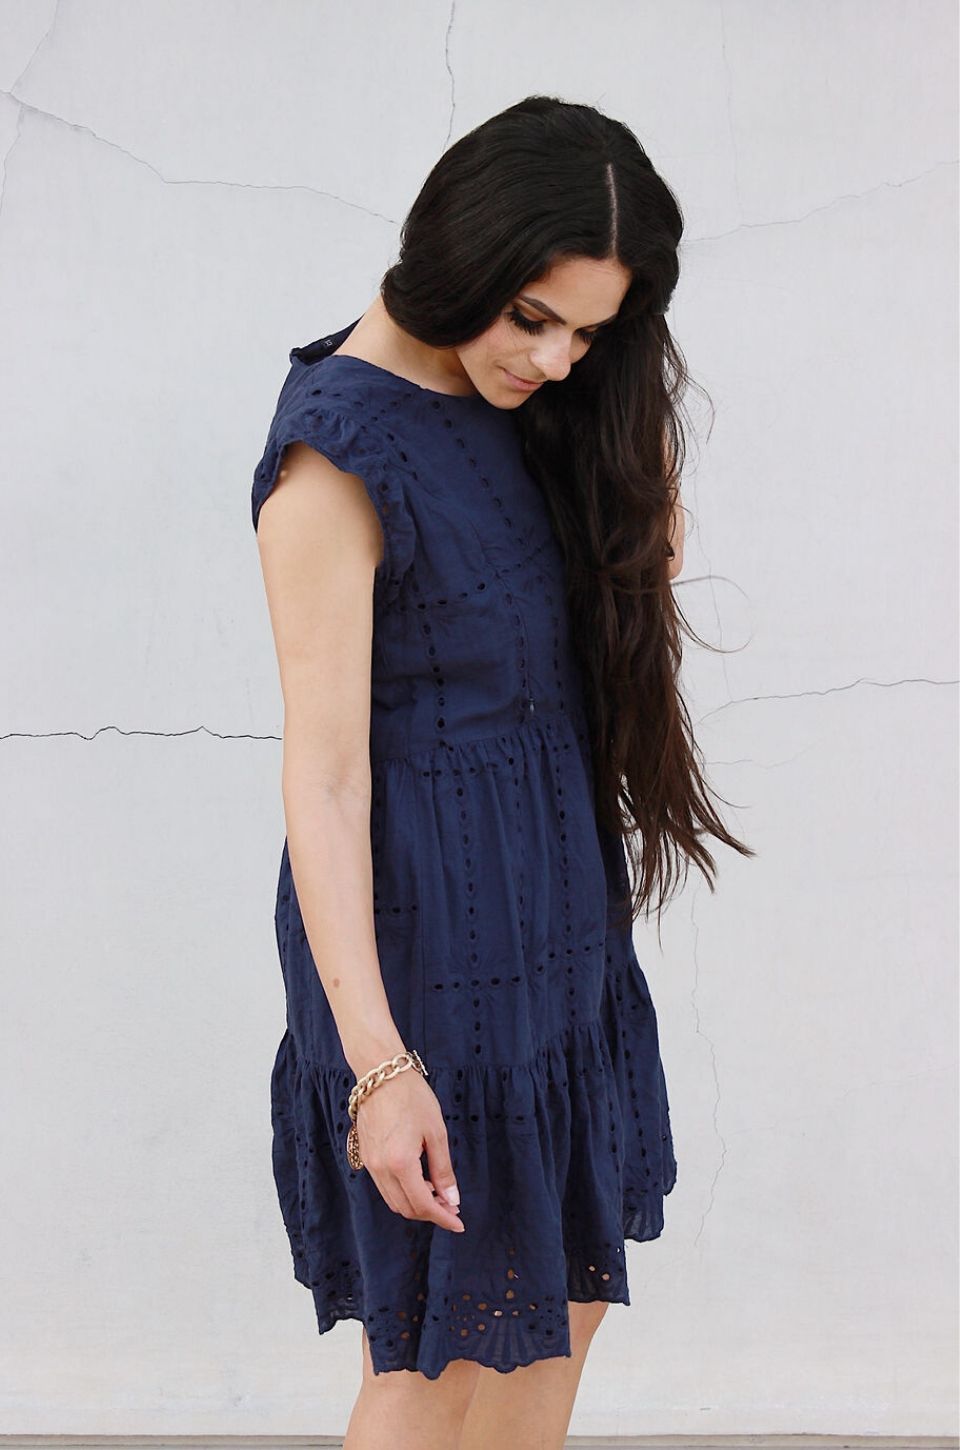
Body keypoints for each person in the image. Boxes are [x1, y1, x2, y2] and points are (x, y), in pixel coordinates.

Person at [251, 94, 753, 1450]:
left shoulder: (522, 398)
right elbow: (325, 782)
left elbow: (617, 578)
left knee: (561, 1308)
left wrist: (624, 441)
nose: (553, 357)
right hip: (426, 950)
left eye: (588, 333)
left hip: (552, 912)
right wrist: (379, 1070)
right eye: (534, 316)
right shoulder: (334, 458)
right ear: (462, 253)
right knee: (437, 1363)